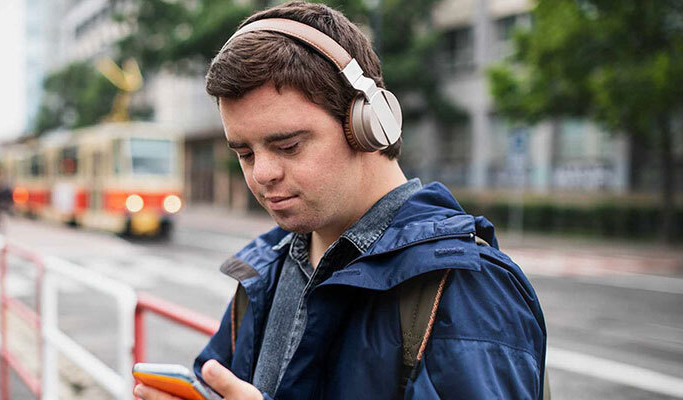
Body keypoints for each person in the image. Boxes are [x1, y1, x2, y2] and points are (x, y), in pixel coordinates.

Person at [134, 2, 546, 400]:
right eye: (244, 153)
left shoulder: (466, 285)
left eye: (289, 146)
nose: (261, 174)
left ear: (368, 124)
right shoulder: (266, 269)